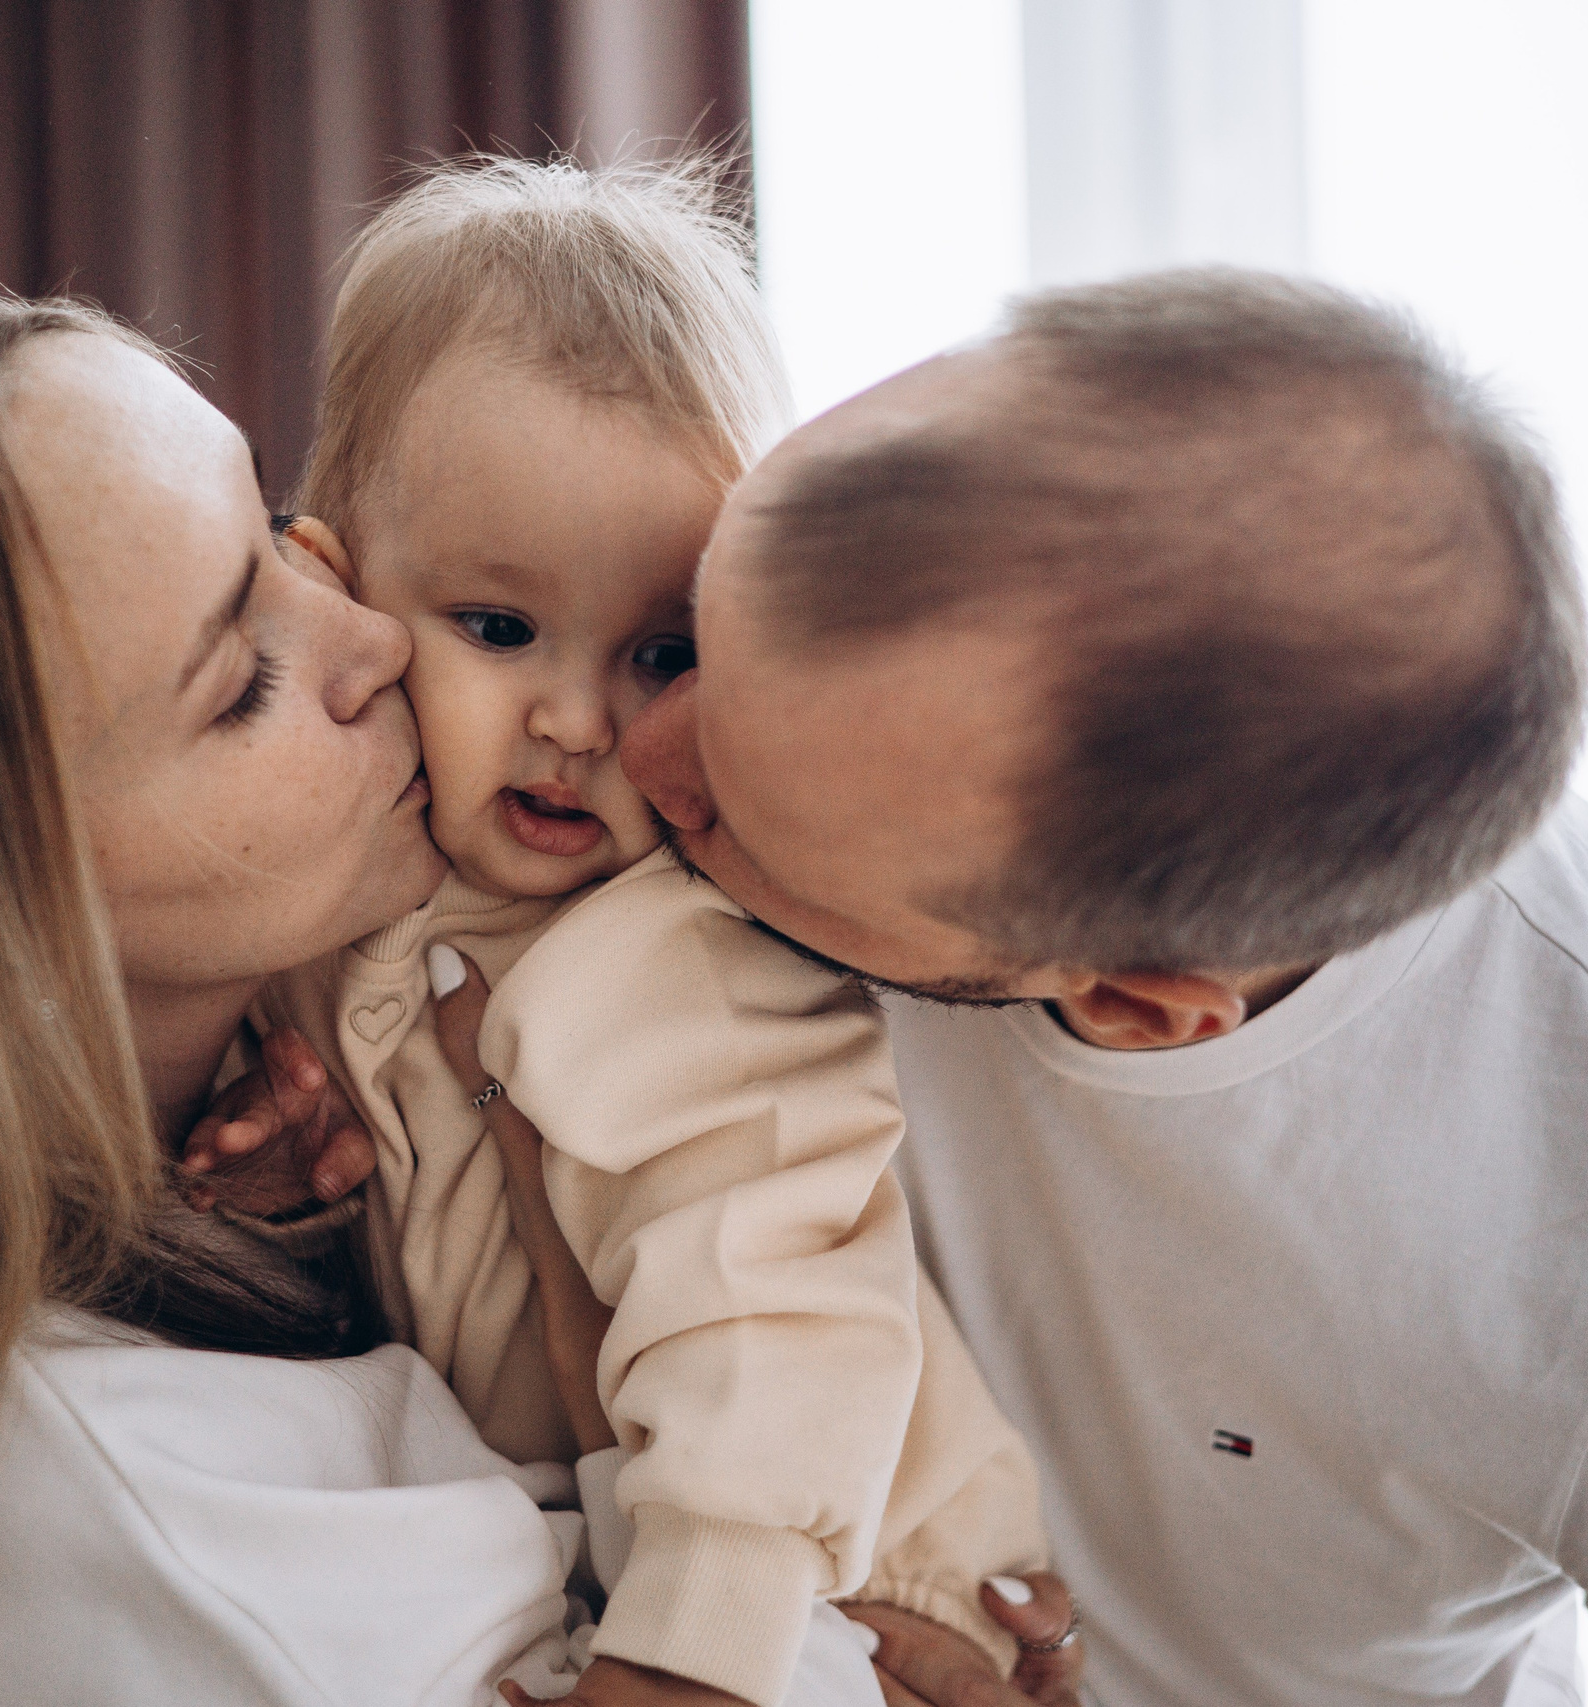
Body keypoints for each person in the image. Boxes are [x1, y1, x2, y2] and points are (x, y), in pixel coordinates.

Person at [0, 294, 910, 1707]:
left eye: (274, 532)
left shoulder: (307, 1126)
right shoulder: (139, 1508)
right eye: (239, 681)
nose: (375, 632)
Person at [617, 269, 1588, 1707]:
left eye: (732, 822)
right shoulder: (874, 694)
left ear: (1139, 1002)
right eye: (686, 640)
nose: (637, 753)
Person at [187, 157, 1046, 1707]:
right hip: (597, 1544)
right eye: (499, 629)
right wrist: (271, 1196)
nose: (576, 720)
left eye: (662, 651)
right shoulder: (328, 911)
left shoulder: (688, 956)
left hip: (841, 1582)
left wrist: (696, 1660)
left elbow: (775, 1324)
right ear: (340, 587)